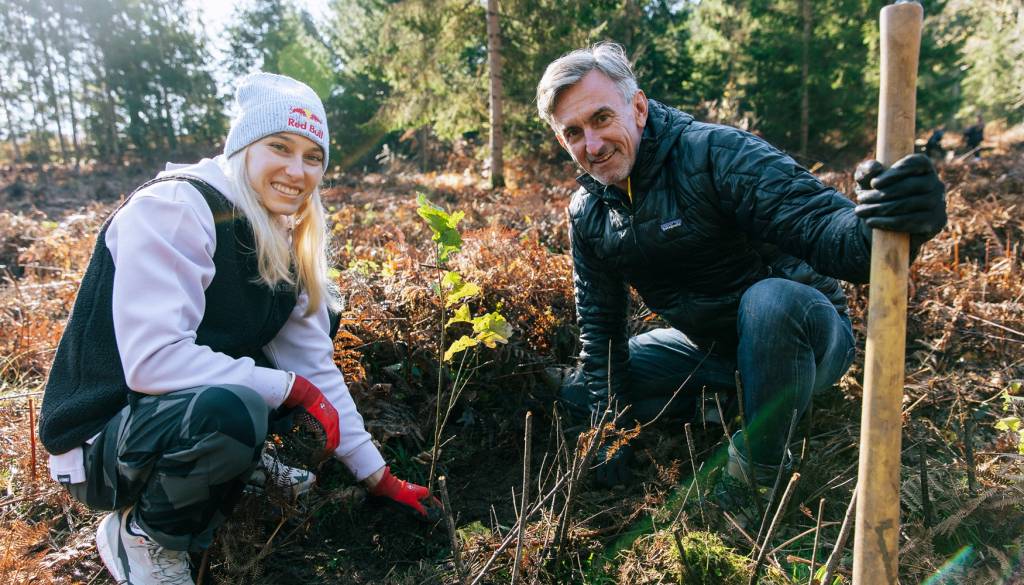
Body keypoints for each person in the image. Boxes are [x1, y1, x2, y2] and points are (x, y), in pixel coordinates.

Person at [39, 72, 437, 585]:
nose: (297, 170)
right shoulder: (177, 207)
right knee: (242, 403)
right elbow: (153, 361)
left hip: (163, 421)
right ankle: (142, 538)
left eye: (313, 157)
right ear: (243, 146)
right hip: (98, 444)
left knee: (281, 375)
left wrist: (379, 476)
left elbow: (314, 368)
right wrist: (288, 389)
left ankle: (228, 467)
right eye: (280, 146)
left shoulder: (284, 236)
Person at [535, 43, 946, 497]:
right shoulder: (588, 211)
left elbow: (834, 236)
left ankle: (758, 472)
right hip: (710, 349)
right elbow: (600, 326)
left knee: (771, 300)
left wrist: (895, 218)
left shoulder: (715, 154)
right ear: (560, 140)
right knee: (580, 393)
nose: (591, 145)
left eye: (601, 119)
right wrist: (612, 430)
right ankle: (734, 403)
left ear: (637, 108)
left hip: (805, 338)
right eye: (573, 132)